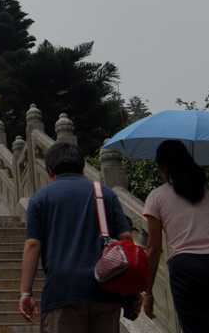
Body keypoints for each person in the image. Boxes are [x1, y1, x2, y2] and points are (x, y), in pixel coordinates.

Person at [19, 142, 137, 332]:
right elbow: (126, 239)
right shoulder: (105, 194)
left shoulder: (40, 199)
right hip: (105, 289)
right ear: (82, 169)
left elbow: (32, 245)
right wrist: (132, 289)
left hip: (62, 291)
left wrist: (26, 292)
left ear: (50, 171)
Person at [142, 140, 209, 333]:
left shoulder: (157, 196)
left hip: (188, 270)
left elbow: (154, 248)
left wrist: (148, 291)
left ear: (162, 167)